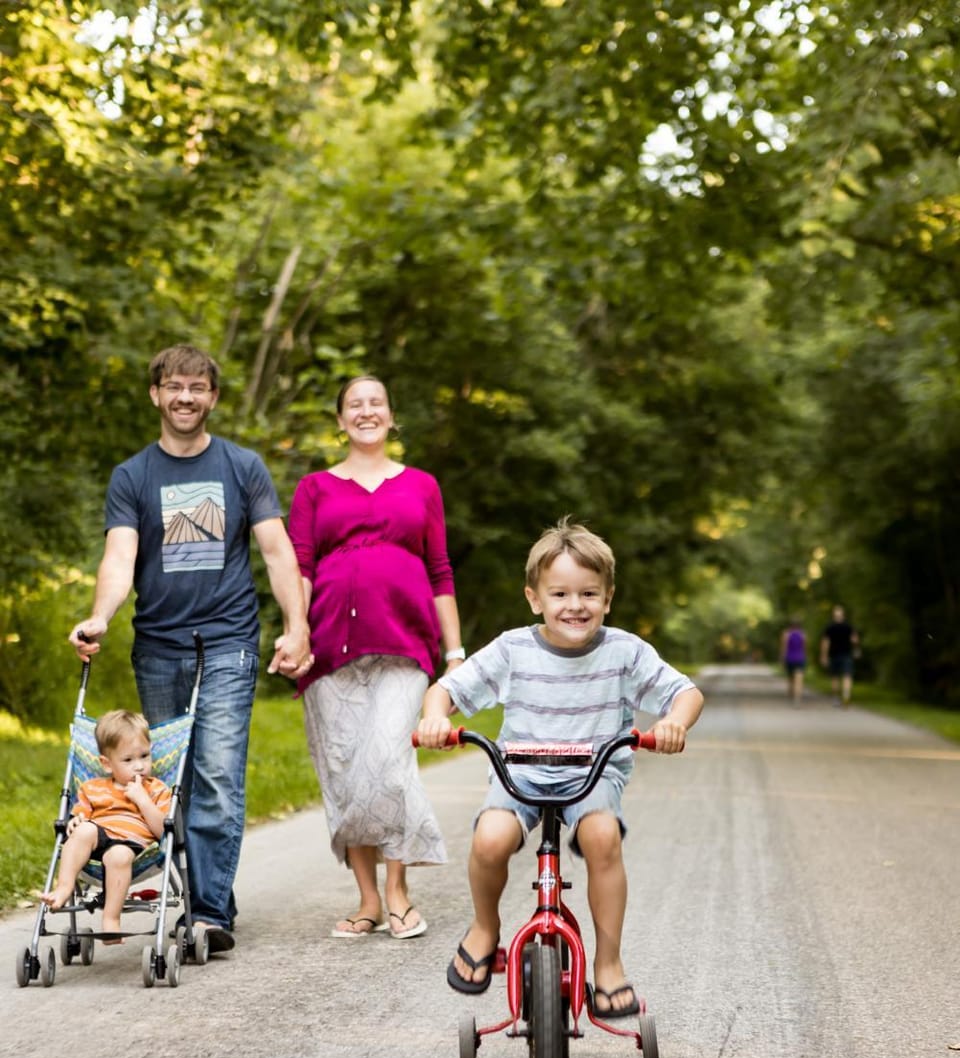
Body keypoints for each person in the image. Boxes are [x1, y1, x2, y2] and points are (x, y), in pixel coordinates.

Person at [69, 343, 313, 952]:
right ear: (156, 394)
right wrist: (100, 616)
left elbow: (277, 551)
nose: (185, 397)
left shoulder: (243, 466)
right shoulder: (133, 476)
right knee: (172, 779)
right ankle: (207, 897)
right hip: (158, 646)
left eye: (197, 387)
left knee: (218, 777)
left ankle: (206, 913)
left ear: (213, 397)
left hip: (228, 641)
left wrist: (297, 626)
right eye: (174, 386)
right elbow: (120, 557)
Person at [417, 518, 704, 1016]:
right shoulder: (513, 649)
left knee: (602, 838)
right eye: (560, 594)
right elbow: (445, 690)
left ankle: (608, 962)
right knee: (489, 839)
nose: (575, 605)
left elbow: (686, 692)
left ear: (608, 598)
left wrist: (675, 722)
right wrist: (434, 718)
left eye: (589, 593)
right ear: (535, 599)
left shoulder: (624, 652)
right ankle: (485, 928)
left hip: (593, 773)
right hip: (520, 772)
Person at [287, 374, 464, 940]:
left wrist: (456, 655)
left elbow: (439, 570)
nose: (366, 411)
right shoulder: (314, 488)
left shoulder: (421, 485)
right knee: (343, 772)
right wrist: (295, 633)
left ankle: (398, 891)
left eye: (376, 403)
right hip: (328, 648)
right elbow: (300, 567)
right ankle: (367, 899)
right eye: (354, 405)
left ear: (390, 415)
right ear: (341, 421)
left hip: (404, 645)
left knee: (387, 763)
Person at [41, 710, 172, 941]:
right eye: (128, 760)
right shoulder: (92, 788)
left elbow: (163, 832)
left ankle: (111, 920)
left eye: (144, 756)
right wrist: (76, 821)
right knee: (84, 829)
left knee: (118, 855)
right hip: (96, 840)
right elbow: (80, 814)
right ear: (107, 764)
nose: (139, 766)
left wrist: (142, 800)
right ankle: (63, 887)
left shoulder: (156, 789)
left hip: (131, 845)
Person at [819, 604, 860, 707]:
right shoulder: (848, 626)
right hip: (845, 655)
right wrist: (856, 649)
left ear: (834, 616)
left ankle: (837, 698)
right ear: (843, 616)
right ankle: (846, 697)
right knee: (847, 676)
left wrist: (823, 656)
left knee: (835, 677)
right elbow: (854, 639)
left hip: (836, 655)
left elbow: (825, 643)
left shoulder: (830, 627)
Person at [780, 618, 807, 705]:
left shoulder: (786, 634)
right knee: (799, 679)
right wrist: (805, 657)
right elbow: (804, 648)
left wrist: (782, 659)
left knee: (791, 679)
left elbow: (784, 648)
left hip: (790, 659)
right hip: (800, 658)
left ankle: (791, 694)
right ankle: (797, 698)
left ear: (790, 625)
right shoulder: (803, 634)